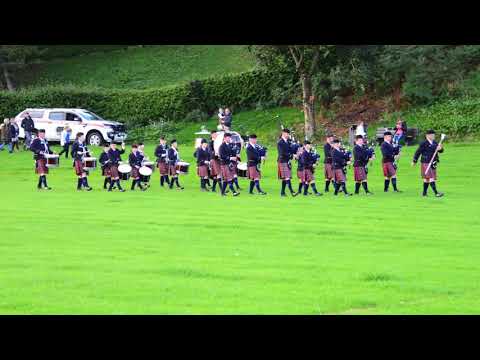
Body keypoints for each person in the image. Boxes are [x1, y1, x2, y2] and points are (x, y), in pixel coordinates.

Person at [412, 129, 444, 197]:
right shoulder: (424, 143)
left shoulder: (435, 143)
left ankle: (424, 193)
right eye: (432, 135)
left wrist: (440, 148)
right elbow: (418, 152)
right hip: (426, 162)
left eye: (433, 135)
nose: (433, 136)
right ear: (427, 136)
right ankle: (436, 193)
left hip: (433, 162)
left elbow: (441, 151)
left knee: (427, 179)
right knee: (430, 177)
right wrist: (414, 161)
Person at [277, 128, 298, 197]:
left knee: (285, 178)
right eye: (287, 133)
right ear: (283, 133)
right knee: (287, 177)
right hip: (282, 161)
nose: (288, 135)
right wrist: (291, 155)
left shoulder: (288, 141)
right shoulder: (280, 142)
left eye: (288, 134)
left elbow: (291, 150)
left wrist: (295, 146)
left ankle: (282, 193)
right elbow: (282, 153)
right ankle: (292, 191)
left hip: (287, 161)